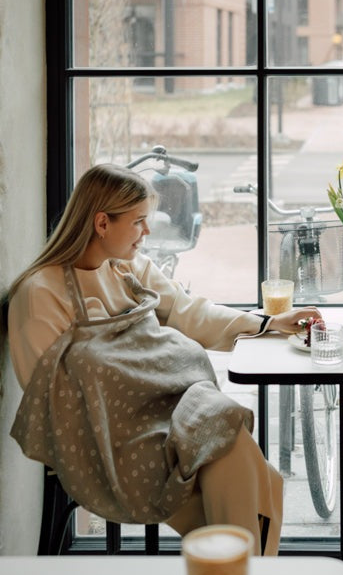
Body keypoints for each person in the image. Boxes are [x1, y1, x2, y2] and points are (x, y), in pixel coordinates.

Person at [7, 163, 319, 555]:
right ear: (102, 222)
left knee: (228, 439)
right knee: (243, 466)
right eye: (138, 222)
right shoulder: (40, 296)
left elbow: (189, 312)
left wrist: (269, 322)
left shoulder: (128, 268)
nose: (147, 232)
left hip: (173, 409)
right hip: (110, 439)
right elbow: (53, 403)